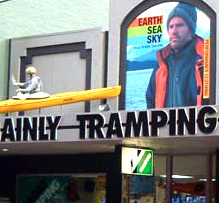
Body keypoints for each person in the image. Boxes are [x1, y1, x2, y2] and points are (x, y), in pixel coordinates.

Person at [146, 2, 204, 109]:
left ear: (191, 30)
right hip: (165, 125)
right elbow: (150, 100)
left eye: (179, 25)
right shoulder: (161, 64)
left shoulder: (205, 61)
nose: (174, 31)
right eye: (171, 26)